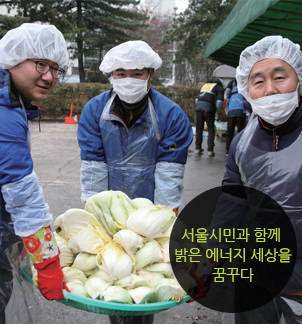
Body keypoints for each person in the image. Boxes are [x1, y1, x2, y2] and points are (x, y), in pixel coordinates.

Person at [77, 40, 193, 324]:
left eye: (137, 73)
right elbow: (93, 168)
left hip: (148, 210)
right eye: (120, 73)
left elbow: (169, 173)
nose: (128, 80)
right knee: (114, 279)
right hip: (109, 211)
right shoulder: (95, 111)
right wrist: (93, 217)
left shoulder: (170, 114)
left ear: (151, 74)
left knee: (145, 280)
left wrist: (165, 221)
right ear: (111, 76)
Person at [190, 35, 302, 323]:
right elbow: (231, 204)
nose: (270, 90)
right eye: (258, 81)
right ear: (247, 89)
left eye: (280, 77)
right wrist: (208, 260)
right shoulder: (242, 143)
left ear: (299, 80)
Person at [0, 23, 70, 323]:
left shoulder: (11, 104)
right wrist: (47, 261)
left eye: (56, 69)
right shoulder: (5, 115)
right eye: (40, 63)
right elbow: (22, 193)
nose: (49, 76)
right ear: (13, 58)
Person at [195, 77, 224, 156]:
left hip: (198, 108)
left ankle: (198, 148)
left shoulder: (205, 85)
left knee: (199, 128)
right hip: (209, 109)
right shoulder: (219, 87)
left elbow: (197, 100)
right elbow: (220, 101)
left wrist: (199, 107)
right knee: (211, 129)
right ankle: (210, 150)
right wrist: (218, 110)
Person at [225, 85, 247, 156]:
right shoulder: (244, 95)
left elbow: (227, 105)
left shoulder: (231, 96)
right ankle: (240, 150)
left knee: (229, 132)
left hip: (231, 113)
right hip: (241, 113)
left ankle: (228, 151)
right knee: (241, 133)